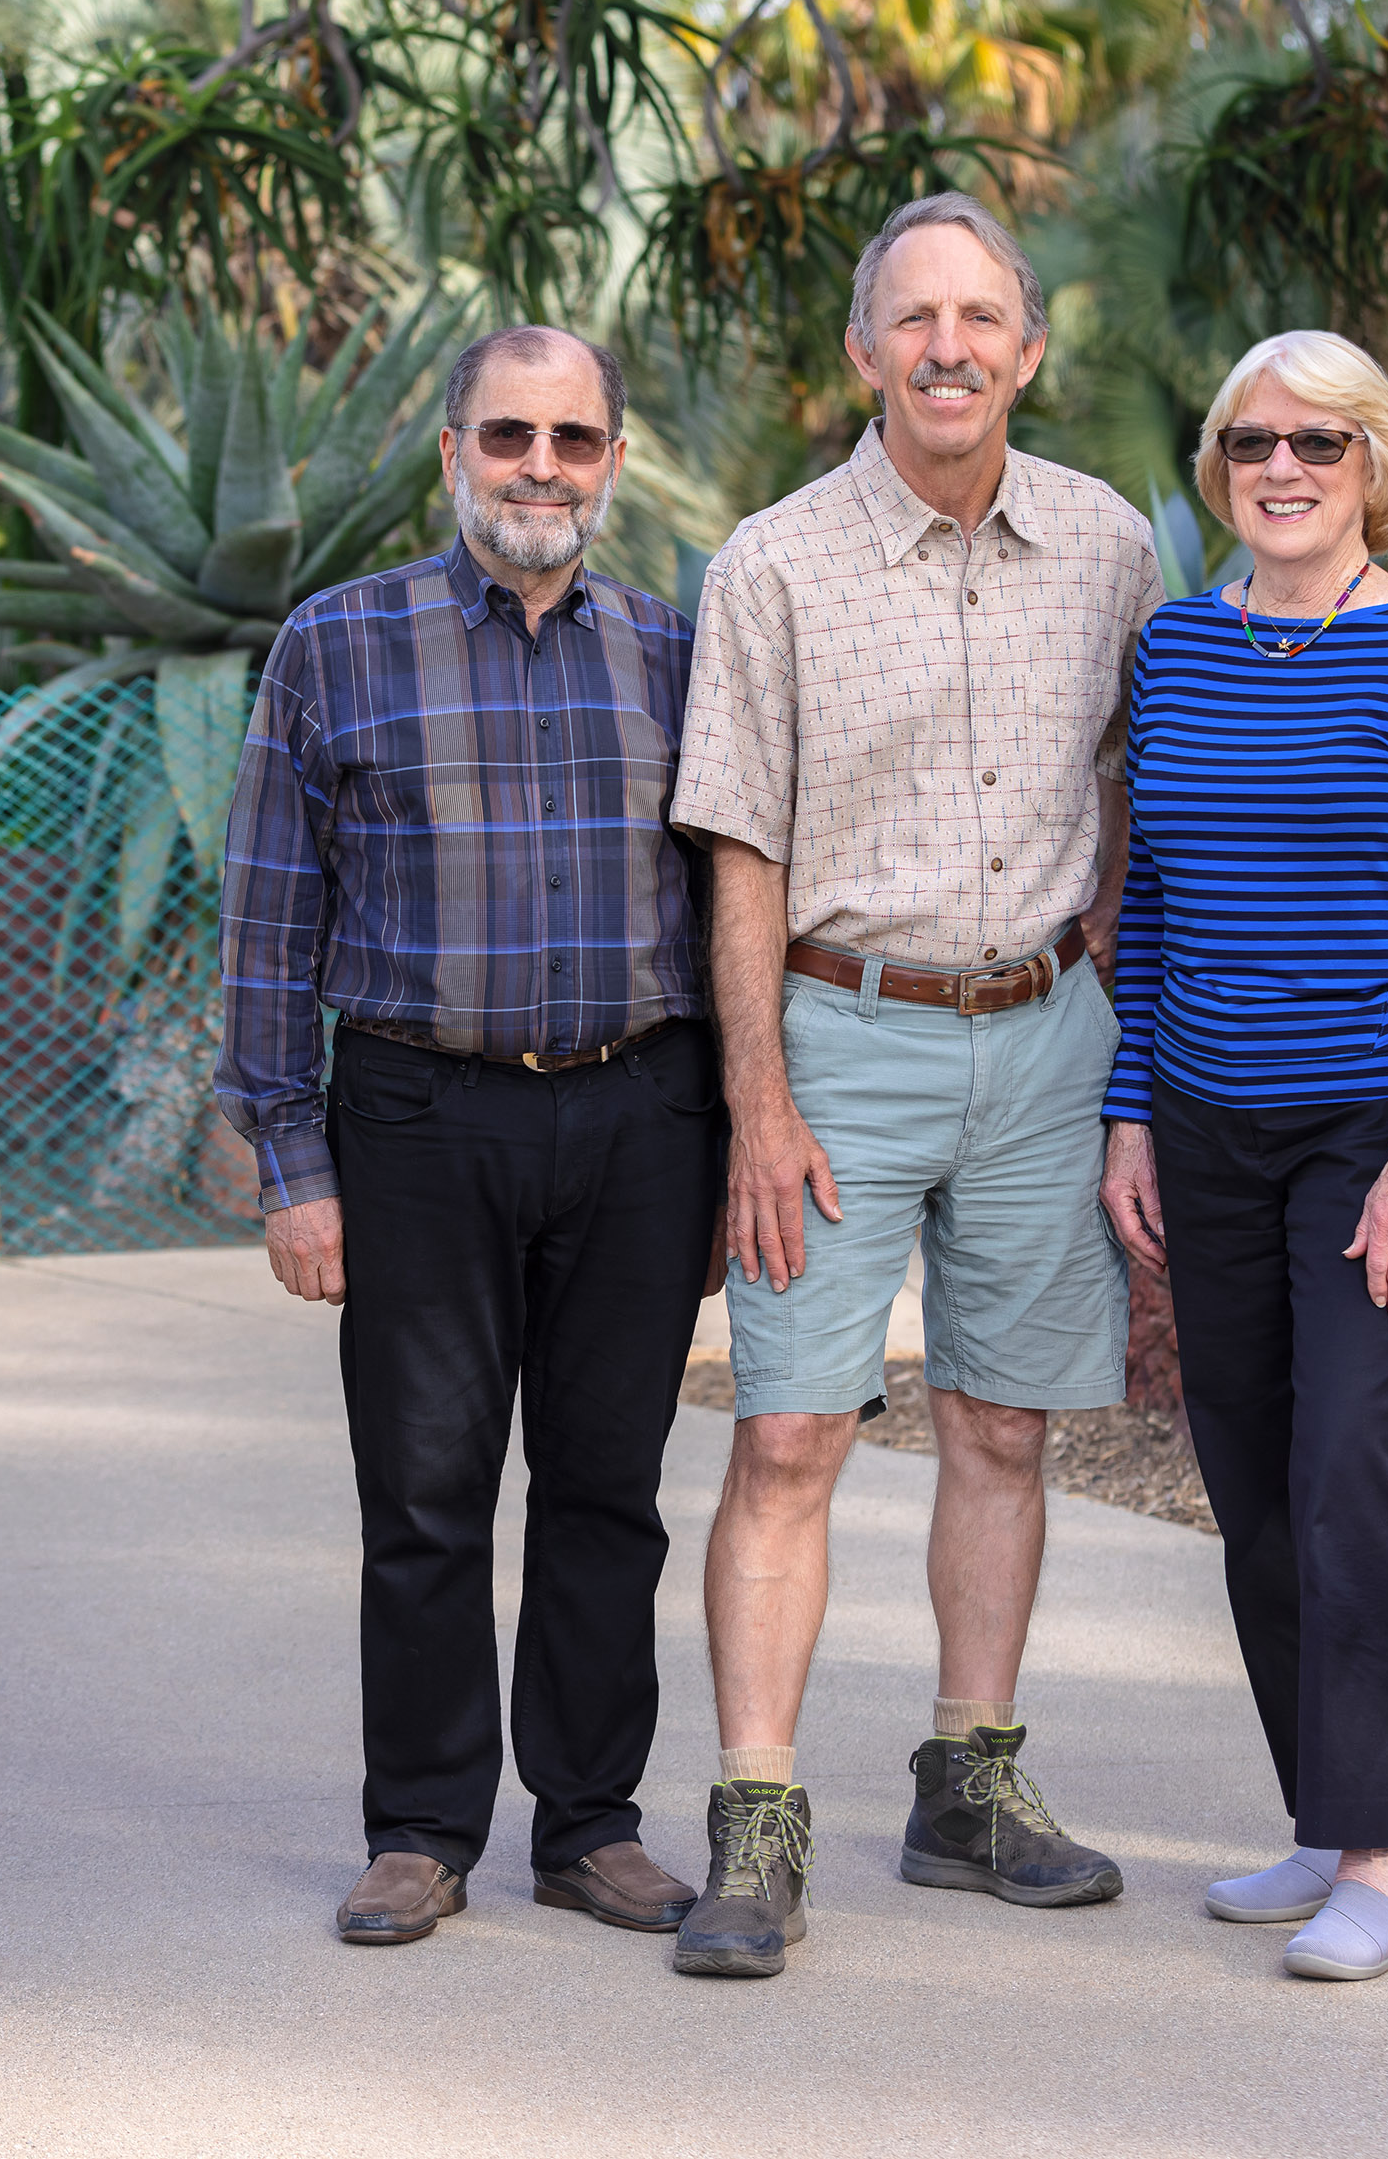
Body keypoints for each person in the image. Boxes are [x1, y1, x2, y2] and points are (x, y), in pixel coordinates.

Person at [664, 192, 1155, 1979]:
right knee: (791, 1430)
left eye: (982, 317)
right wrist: (761, 1104)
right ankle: (756, 1813)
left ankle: (971, 1780)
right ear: (861, 353)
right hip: (841, 1038)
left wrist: (1119, 1038)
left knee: (1005, 1425)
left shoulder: (1113, 546)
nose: (949, 347)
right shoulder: (772, 563)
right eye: (914, 318)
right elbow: (739, 858)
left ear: (1028, 349)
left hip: (1044, 1035)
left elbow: (1144, 798)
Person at [214, 324, 725, 1949]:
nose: (541, 467)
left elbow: (728, 910)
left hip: (640, 1110)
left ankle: (588, 1827)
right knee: (426, 1488)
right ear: (452, 451)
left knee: (608, 1489)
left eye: (575, 440)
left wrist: (726, 1144)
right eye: (510, 434)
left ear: (614, 465)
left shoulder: (676, 649)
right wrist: (293, 1167)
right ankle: (423, 1828)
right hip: (420, 1113)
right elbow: (267, 923)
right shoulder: (335, 645)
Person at [1095, 328, 1388, 1983]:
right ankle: (1321, 1816)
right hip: (1206, 1120)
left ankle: (1387, 1860)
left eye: (1318, 445)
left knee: (1353, 1465)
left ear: (1374, 468)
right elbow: (1162, 909)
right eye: (1253, 442)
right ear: (1220, 468)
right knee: (1255, 1477)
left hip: (1373, 1130)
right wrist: (1132, 1106)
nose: (1281, 468)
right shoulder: (1181, 649)